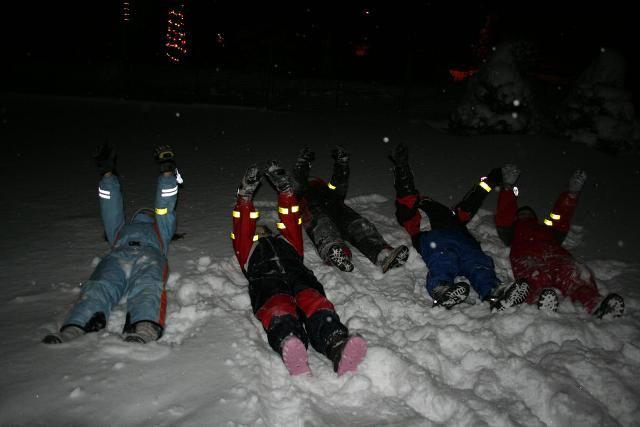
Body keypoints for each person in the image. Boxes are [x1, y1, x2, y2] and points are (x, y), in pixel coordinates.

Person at [231, 161, 367, 376]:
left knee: (314, 302)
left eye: (265, 229)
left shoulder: (288, 242)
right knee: (278, 307)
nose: (261, 231)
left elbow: (290, 219)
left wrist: (285, 191)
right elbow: (243, 224)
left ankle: (336, 343)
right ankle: (290, 343)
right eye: (257, 230)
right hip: (266, 280)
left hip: (298, 275)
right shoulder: (247, 249)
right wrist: (244, 197)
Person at [42, 144, 181, 344]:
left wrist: (168, 172)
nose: (149, 213)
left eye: (150, 212)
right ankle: (76, 326)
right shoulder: (119, 230)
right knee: (99, 286)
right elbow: (111, 208)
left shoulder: (161, 229)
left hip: (149, 255)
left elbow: (164, 206)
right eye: (146, 212)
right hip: (117, 255)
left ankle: (144, 326)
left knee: (148, 285)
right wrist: (107, 175)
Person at [389, 143, 529, 310]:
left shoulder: (454, 215)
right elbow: (406, 194)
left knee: (478, 264)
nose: (428, 201)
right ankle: (441, 288)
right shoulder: (412, 212)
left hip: (464, 242)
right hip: (434, 239)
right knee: (442, 260)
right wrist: (402, 167)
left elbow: (473, 199)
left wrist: (493, 177)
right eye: (424, 200)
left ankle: (494, 292)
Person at [495, 164, 624, 317]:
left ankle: (595, 304)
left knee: (573, 273)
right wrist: (508, 188)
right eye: (521, 214)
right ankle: (539, 300)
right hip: (527, 256)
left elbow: (560, 217)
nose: (525, 215)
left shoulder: (546, 228)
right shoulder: (511, 229)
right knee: (535, 276)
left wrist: (571, 195)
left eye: (528, 213)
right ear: (516, 218)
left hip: (555, 254)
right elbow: (505, 213)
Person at [292, 146, 409, 273]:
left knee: (358, 224)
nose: (314, 182)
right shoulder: (302, 192)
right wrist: (302, 164)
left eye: (317, 182)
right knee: (323, 226)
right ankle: (336, 252)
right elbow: (298, 184)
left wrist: (342, 164)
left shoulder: (327, 190)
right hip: (314, 212)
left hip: (336, 210)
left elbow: (339, 186)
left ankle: (383, 254)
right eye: (312, 181)